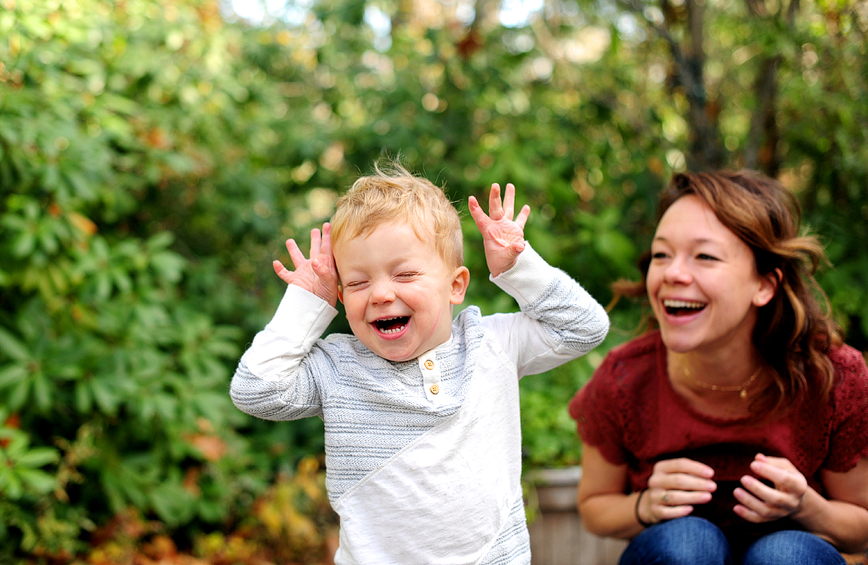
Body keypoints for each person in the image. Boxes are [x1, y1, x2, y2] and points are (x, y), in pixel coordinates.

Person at [230, 162, 609, 565]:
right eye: (357, 282)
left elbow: (584, 327)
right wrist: (308, 301)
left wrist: (519, 267)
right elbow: (255, 390)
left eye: (404, 274)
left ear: (456, 285)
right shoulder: (338, 369)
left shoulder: (493, 344)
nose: (379, 294)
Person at [568, 169, 868, 565]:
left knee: (784, 555)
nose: (673, 273)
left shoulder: (833, 377)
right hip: (675, 552)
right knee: (686, 545)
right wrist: (645, 506)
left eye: (705, 256)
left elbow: (861, 523)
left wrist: (807, 508)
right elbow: (594, 506)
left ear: (765, 284)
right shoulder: (625, 378)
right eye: (661, 254)